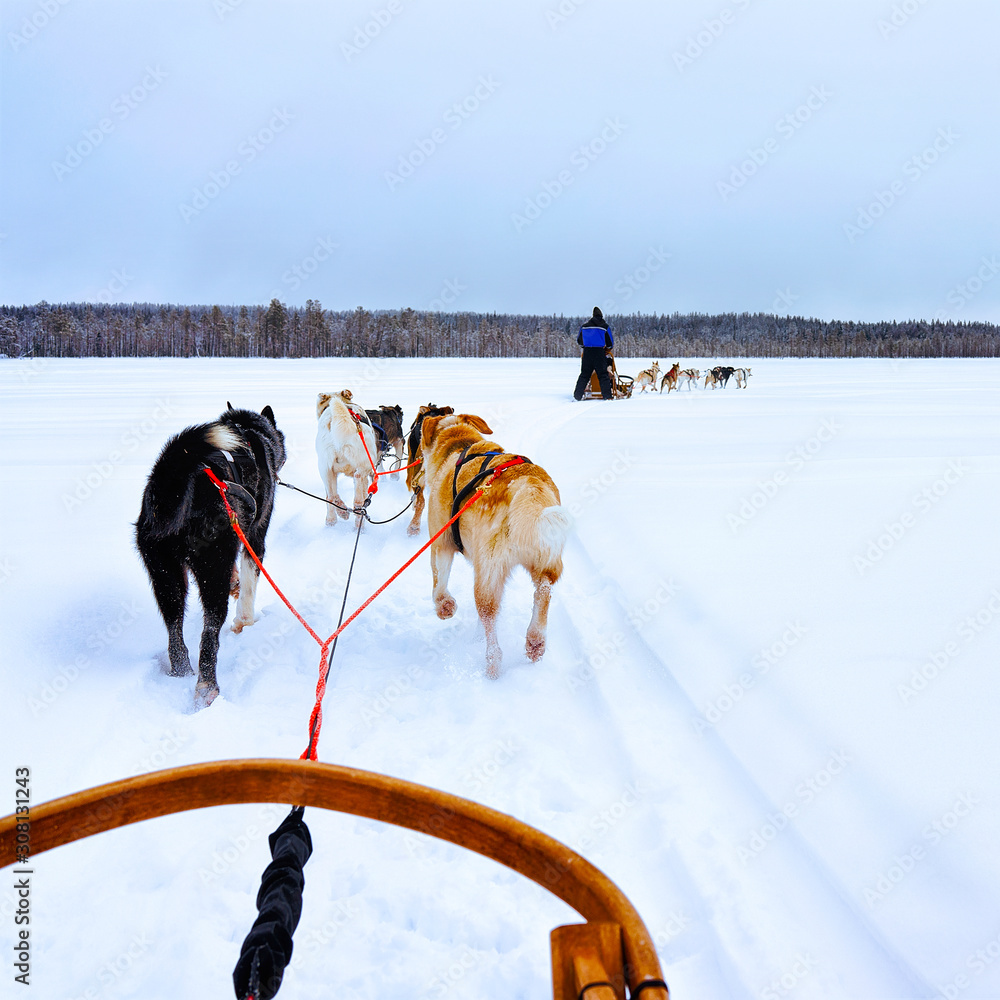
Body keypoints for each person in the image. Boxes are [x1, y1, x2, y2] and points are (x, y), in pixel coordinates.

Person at [573, 306, 614, 400]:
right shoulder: (604, 327)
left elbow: (579, 341)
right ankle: (607, 397)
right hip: (599, 353)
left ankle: (577, 396)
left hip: (587, 352)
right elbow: (610, 343)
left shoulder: (584, 327)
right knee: (603, 375)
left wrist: (586, 346)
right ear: (601, 316)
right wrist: (607, 349)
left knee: (584, 374)